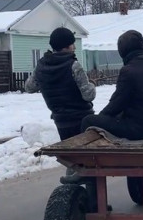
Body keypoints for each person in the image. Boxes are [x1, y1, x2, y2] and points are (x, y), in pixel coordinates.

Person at [25, 27, 95, 181]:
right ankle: (94, 200)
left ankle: (71, 193)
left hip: (61, 121)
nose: (74, 47)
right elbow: (88, 95)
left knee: (71, 158)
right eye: (72, 44)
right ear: (66, 46)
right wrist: (91, 84)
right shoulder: (73, 65)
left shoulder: (41, 66)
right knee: (90, 161)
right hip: (82, 119)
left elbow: (29, 87)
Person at [80, 30, 143, 140]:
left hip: (136, 129)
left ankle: (88, 155)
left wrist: (99, 118)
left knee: (88, 120)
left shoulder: (129, 71)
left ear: (123, 51)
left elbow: (117, 103)